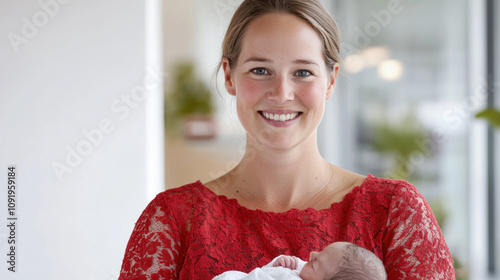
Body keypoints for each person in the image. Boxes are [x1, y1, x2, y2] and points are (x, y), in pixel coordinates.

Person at [118, 0, 455, 279]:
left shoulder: (396, 213)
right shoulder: (171, 221)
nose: (281, 93)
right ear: (228, 76)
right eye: (260, 70)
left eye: (303, 72)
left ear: (331, 80)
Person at [212, 241, 387, 280]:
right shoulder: (307, 273)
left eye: (315, 262)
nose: (311, 254)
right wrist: (279, 263)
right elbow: (264, 272)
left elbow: (257, 277)